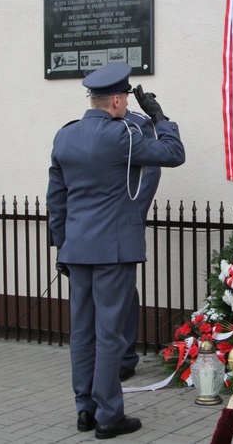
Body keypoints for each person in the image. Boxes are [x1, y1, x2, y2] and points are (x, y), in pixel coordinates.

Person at [47, 63, 185, 439]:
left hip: (77, 249)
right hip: (114, 251)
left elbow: (56, 199)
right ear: (120, 100)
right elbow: (173, 154)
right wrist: (159, 116)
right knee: (110, 334)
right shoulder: (122, 135)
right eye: (126, 99)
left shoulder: (66, 136)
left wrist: (61, 245)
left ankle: (85, 410)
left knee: (82, 333)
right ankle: (109, 415)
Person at [119, 110, 161, 383]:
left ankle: (124, 357)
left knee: (123, 294)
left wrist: (133, 214)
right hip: (95, 233)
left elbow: (149, 173)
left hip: (122, 226)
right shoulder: (91, 129)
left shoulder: (135, 124)